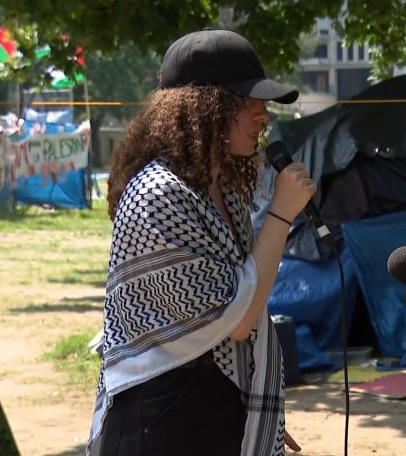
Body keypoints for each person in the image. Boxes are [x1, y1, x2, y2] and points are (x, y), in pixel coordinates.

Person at [86, 28, 313, 456]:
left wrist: (250, 412)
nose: (262, 115)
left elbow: (237, 318)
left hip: (208, 408)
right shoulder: (157, 193)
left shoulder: (222, 191)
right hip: (158, 418)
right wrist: (282, 212)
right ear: (203, 107)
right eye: (246, 102)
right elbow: (237, 316)